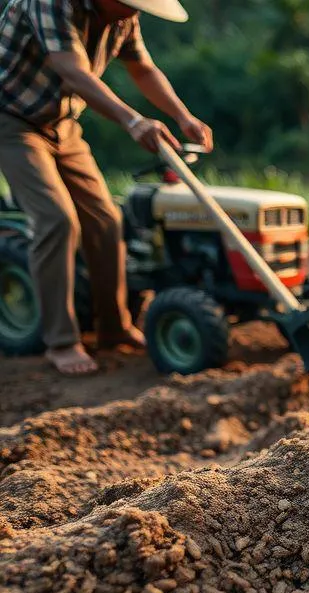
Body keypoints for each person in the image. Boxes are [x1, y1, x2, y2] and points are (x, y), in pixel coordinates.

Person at [0, 0, 211, 376]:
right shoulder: (51, 3)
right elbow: (72, 72)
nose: (136, 12)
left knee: (107, 219)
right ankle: (61, 342)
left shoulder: (124, 17)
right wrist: (133, 121)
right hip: (12, 120)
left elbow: (143, 69)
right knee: (56, 220)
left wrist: (183, 116)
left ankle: (114, 328)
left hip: (61, 123)